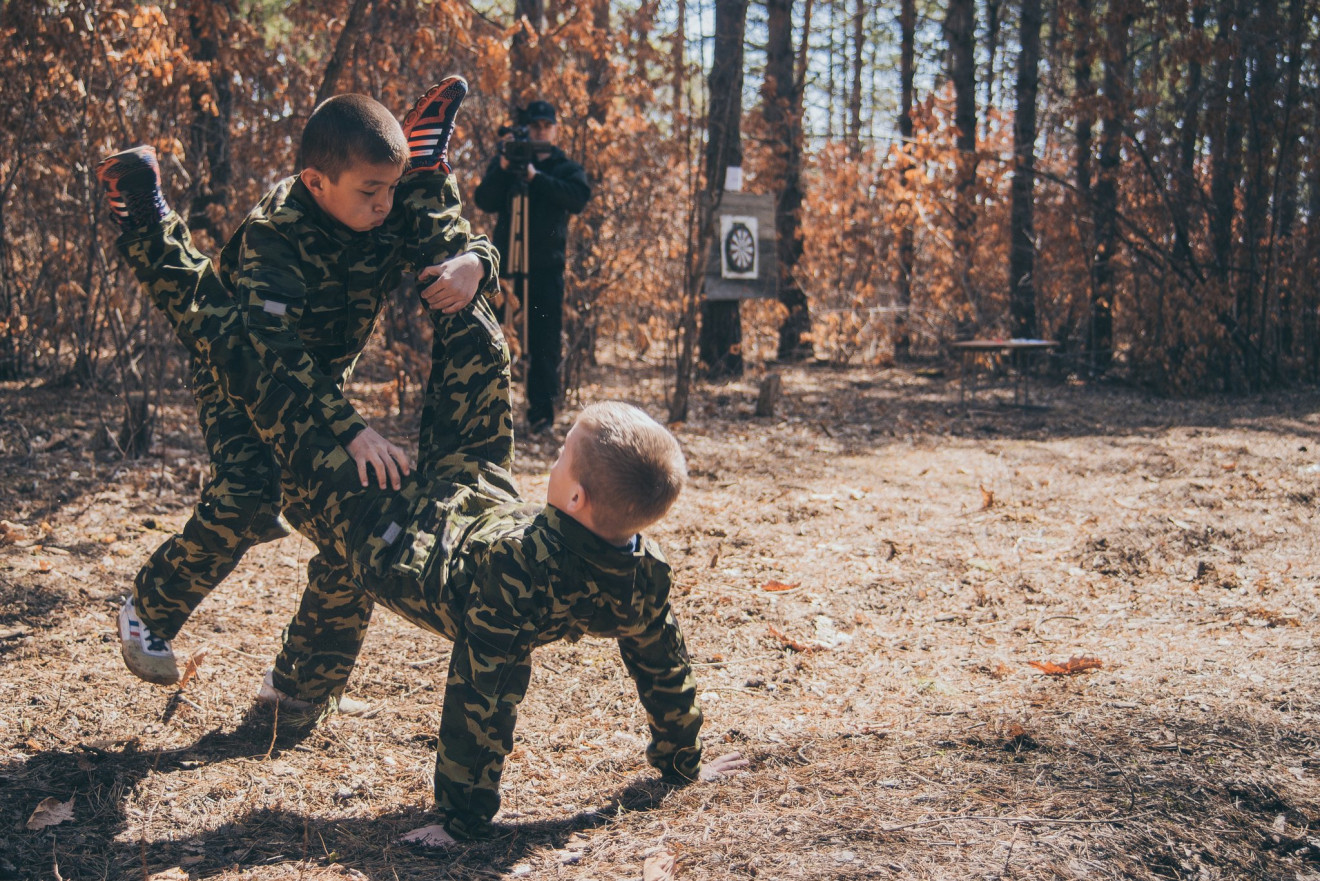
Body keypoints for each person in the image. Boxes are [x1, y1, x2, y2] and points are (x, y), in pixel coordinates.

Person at [98, 156, 747, 845]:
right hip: (476, 502)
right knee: (480, 345)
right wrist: (684, 762)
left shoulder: (510, 590)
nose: (552, 455)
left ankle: (148, 230)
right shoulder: (642, 573)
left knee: (240, 348)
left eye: (561, 457)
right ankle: (434, 188)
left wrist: (460, 820)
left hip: (391, 527)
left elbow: (484, 703)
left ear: (579, 494)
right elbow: (665, 670)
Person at [102, 77, 500, 716]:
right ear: (317, 183)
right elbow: (272, 352)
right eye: (371, 190)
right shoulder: (276, 232)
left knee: (359, 518)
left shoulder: (379, 207)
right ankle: (148, 611)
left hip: (319, 387)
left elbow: (448, 246)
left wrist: (477, 261)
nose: (383, 205)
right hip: (246, 376)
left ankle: (296, 691)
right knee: (249, 491)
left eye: (394, 188)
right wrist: (350, 429)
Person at [473, 99, 591, 435]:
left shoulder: (564, 167)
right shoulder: (508, 163)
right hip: (505, 271)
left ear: (554, 129)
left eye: (545, 126)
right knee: (496, 340)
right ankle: (492, 414)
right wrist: (505, 165)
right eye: (534, 126)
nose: (539, 131)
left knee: (544, 345)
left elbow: (578, 198)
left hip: (545, 270)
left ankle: (541, 416)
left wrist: (535, 178)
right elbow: (485, 200)